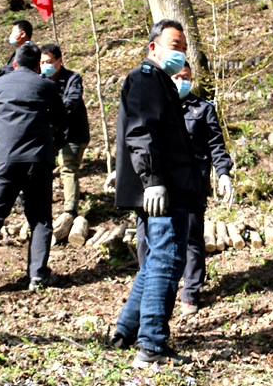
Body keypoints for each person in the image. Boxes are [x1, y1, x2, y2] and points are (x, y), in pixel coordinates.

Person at [110, 19, 202, 369]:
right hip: (162, 191)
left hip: (167, 188)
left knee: (155, 262)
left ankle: (126, 331)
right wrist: (153, 180)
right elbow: (141, 132)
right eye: (174, 45)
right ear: (153, 47)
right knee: (166, 260)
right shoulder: (146, 80)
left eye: (182, 47)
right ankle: (151, 346)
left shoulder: (160, 83)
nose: (180, 52)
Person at [0, 42, 66, 292]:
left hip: (4, 158)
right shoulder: (46, 85)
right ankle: (37, 274)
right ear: (39, 64)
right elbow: (61, 119)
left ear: (15, 62)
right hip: (38, 159)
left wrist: (5, 135)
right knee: (40, 217)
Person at [136, 61, 234, 317]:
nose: (181, 81)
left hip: (192, 184)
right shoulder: (155, 106)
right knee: (147, 237)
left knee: (192, 239)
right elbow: (139, 140)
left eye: (186, 77)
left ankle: (190, 292)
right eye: (176, 77)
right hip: (157, 184)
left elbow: (216, 145)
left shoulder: (203, 109)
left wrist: (223, 173)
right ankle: (148, 290)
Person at [39, 44, 90, 218]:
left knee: (68, 167)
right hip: (51, 133)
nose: (45, 65)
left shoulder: (72, 78)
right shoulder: (40, 80)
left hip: (73, 132)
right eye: (42, 62)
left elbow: (72, 100)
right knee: (42, 166)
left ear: (59, 61)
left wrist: (56, 115)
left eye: (49, 61)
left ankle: (70, 211)